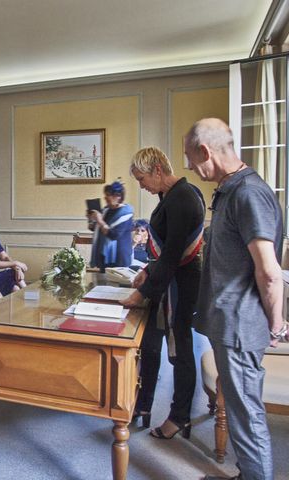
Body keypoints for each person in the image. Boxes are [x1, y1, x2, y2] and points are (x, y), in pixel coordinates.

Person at [185, 118, 285, 480]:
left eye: (190, 158)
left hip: (240, 324)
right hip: (230, 322)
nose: (191, 168)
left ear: (205, 151)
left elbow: (269, 271)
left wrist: (275, 322)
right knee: (244, 412)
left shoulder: (248, 194)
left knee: (246, 415)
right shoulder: (231, 189)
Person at [120, 147, 205, 440]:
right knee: (159, 345)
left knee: (180, 350)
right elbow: (164, 250)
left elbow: (171, 256)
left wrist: (142, 293)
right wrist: (146, 268)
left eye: (142, 178)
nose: (141, 185)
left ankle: (179, 417)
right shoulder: (171, 195)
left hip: (180, 284)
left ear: (157, 169)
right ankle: (144, 405)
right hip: (169, 278)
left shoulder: (182, 198)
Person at [87, 181, 134, 270]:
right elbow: (94, 228)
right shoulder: (106, 210)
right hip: (103, 258)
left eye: (109, 195)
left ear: (118, 196)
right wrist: (91, 219)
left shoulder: (126, 213)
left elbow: (114, 235)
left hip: (118, 259)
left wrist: (100, 221)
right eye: (106, 195)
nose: (106, 198)